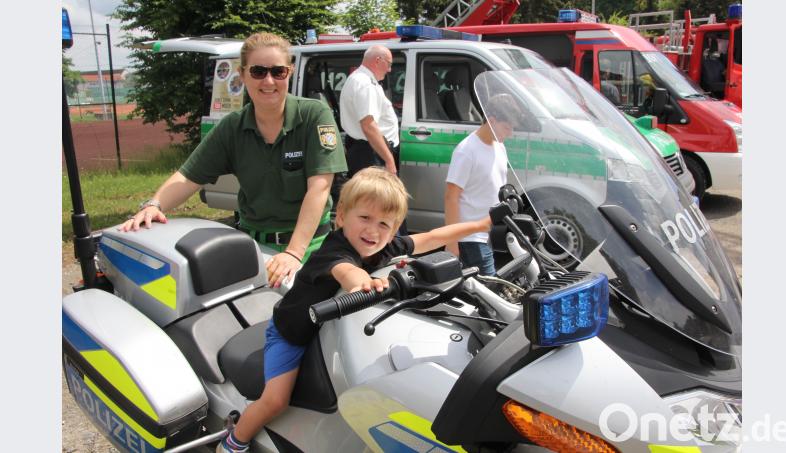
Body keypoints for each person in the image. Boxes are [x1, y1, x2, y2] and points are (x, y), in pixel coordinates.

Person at [217, 167, 492, 452]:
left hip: (326, 329)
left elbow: (433, 237)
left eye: (385, 224)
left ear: (395, 229)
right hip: (292, 332)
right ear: (342, 216)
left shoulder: (383, 246)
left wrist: (481, 225)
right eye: (365, 218)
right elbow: (346, 272)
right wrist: (366, 283)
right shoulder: (335, 249)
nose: (373, 231)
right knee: (275, 400)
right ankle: (235, 441)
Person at [120, 32, 347, 288]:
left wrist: (294, 252)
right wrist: (154, 205)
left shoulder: (314, 114)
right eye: (258, 71)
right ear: (242, 74)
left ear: (290, 72)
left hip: (309, 247)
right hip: (252, 245)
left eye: (278, 72)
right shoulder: (232, 127)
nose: (269, 81)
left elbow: (320, 187)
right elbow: (188, 176)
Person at [444, 93, 521, 276]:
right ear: (491, 120)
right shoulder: (467, 151)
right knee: (489, 288)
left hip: (488, 232)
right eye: (506, 128)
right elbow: (451, 197)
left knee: (478, 290)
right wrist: (452, 241)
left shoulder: (499, 147)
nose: (509, 133)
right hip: (470, 236)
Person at [338, 45, 399, 177]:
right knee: (374, 196)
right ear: (378, 60)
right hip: (370, 152)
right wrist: (389, 160)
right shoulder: (365, 83)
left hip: (369, 150)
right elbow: (368, 125)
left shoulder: (362, 79)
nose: (389, 69)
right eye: (388, 64)